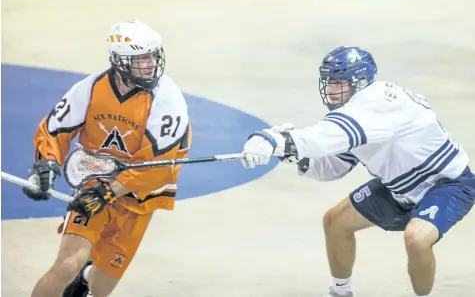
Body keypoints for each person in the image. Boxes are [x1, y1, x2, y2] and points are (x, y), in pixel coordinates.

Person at [240, 46, 475, 297]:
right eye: (328, 82)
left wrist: (277, 139)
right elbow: (333, 166)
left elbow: (326, 136)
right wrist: (297, 156)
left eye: (338, 82)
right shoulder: (357, 114)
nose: (330, 90)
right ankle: (340, 292)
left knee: (416, 238)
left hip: (446, 184)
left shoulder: (378, 103)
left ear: (361, 82)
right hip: (399, 189)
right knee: (335, 221)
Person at [22, 18, 192, 297]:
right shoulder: (90, 89)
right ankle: (79, 269)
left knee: (100, 288)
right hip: (95, 182)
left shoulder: (168, 100)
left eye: (152, 55)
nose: (150, 63)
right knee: (66, 265)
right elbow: (54, 129)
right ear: (119, 61)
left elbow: (154, 168)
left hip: (139, 198)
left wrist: (108, 192)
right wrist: (46, 164)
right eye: (141, 58)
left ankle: (88, 276)